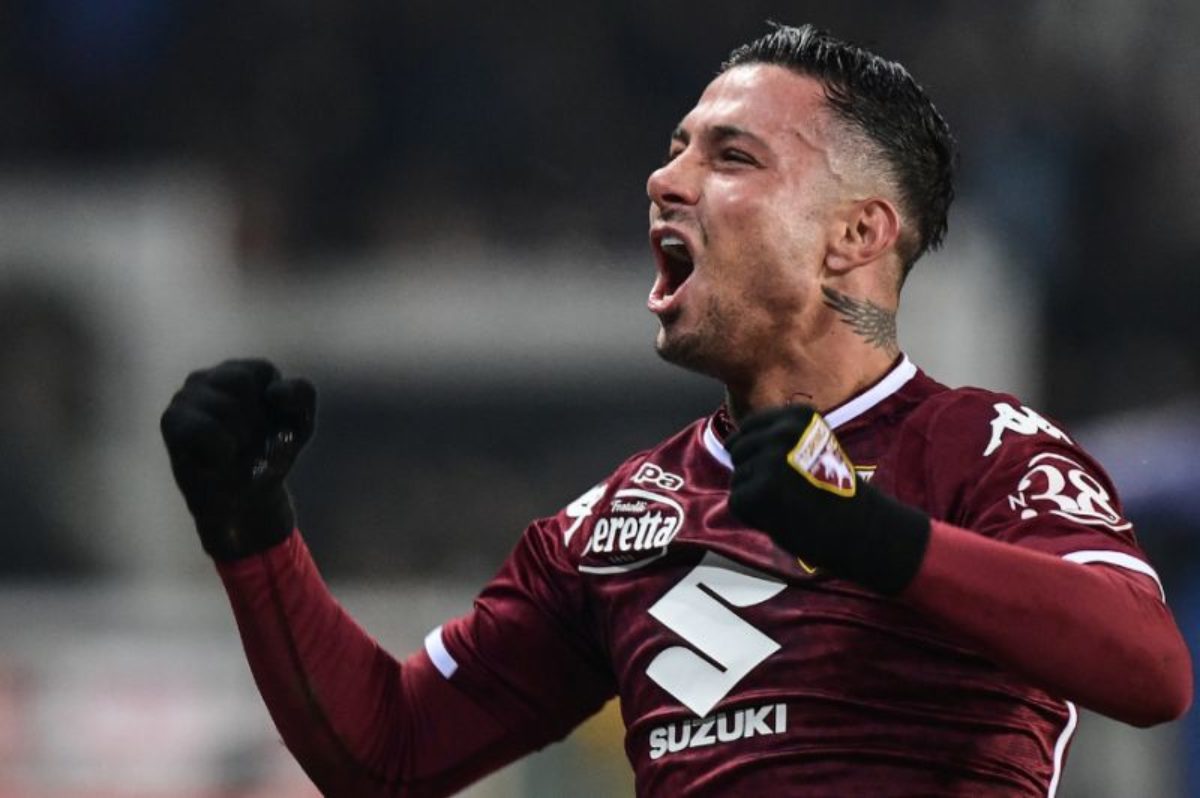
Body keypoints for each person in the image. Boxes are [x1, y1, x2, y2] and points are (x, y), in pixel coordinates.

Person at [160, 24, 1192, 797]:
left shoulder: (979, 445)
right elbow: (387, 754)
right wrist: (252, 529)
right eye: (677, 148)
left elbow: (1150, 669)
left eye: (731, 157)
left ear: (855, 235)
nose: (664, 179)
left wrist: (874, 538)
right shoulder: (616, 521)